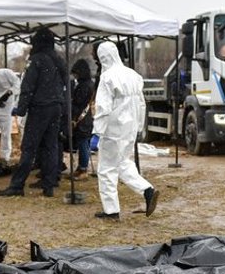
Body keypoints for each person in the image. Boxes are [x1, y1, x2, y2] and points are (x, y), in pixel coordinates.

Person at [93, 41, 158, 220]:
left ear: (102, 58)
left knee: (106, 169)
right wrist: (138, 126)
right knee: (122, 163)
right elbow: (142, 104)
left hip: (113, 130)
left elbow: (103, 107)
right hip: (129, 130)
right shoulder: (134, 75)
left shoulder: (107, 78)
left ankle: (111, 211)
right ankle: (147, 190)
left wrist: (97, 131)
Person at [0, 27, 66, 198]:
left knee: (29, 147)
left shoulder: (36, 60)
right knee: (51, 146)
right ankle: (49, 184)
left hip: (40, 107)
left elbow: (27, 87)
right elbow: (66, 85)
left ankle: (17, 185)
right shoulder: (58, 60)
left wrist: (21, 109)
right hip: (56, 106)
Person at [63, 58, 95, 178]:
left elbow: (78, 103)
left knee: (83, 144)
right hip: (87, 118)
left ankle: (83, 169)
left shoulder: (83, 86)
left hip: (81, 119)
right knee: (84, 144)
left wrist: (73, 118)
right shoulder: (90, 84)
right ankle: (82, 168)